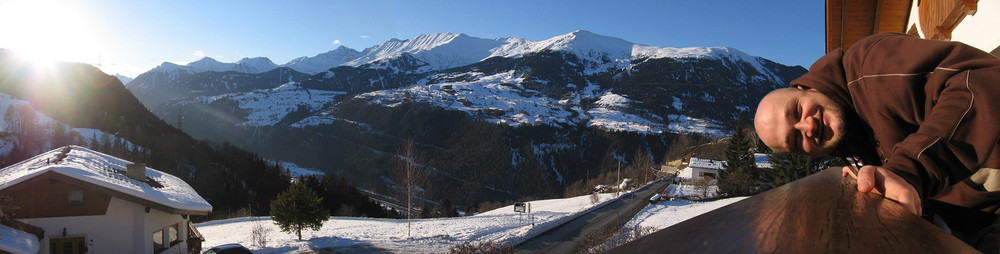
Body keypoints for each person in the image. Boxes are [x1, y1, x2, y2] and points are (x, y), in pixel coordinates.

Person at [754, 33, 1000, 252]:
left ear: (803, 87)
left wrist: (910, 170)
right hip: (966, 224)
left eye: (797, 111)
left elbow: (984, 80)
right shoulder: (846, 133)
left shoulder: (870, 65)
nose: (808, 126)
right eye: (796, 139)